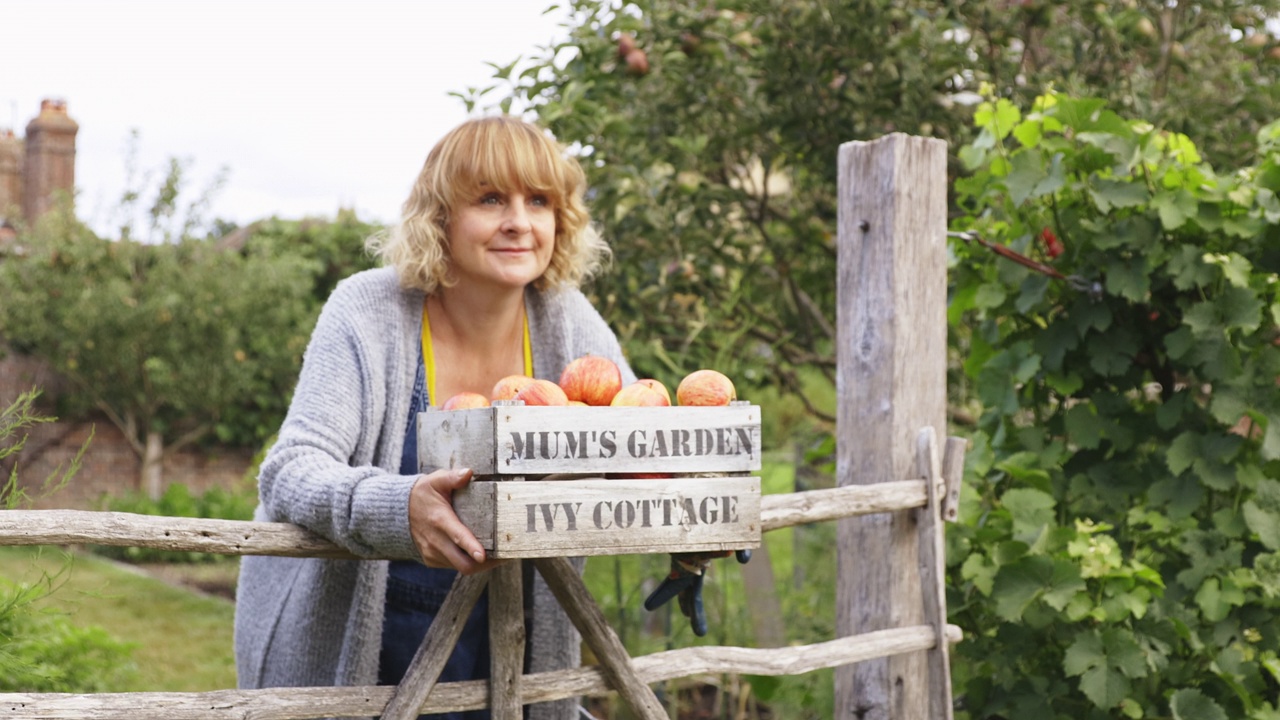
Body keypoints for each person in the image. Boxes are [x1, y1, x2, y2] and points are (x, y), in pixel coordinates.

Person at [234, 115, 635, 720]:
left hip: (510, 635)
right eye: (490, 199)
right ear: (440, 216)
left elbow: (639, 447)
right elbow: (290, 470)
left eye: (539, 201)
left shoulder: (568, 322)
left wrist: (692, 532)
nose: (519, 223)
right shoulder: (368, 311)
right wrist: (399, 508)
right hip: (372, 635)